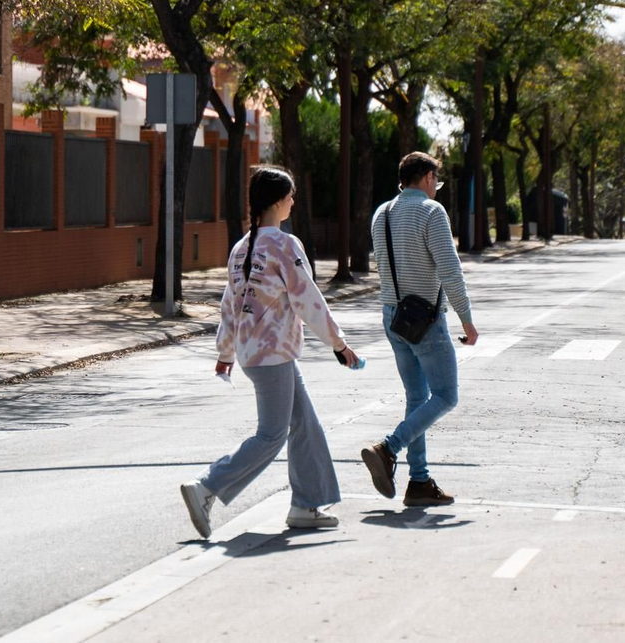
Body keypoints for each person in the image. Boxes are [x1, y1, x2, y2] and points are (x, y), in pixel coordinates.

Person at [181, 166, 363, 539]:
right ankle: (206, 486)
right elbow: (309, 301)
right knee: (272, 435)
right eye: (291, 196)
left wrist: (227, 352)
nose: (294, 202)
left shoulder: (241, 247)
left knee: (305, 425)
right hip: (273, 356)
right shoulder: (283, 244)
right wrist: (339, 344)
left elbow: (230, 306)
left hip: (255, 354)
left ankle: (306, 505)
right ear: (279, 202)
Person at [361, 151, 478, 508]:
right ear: (427, 177)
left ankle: (419, 482)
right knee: (446, 395)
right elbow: (449, 269)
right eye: (436, 181)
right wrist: (467, 319)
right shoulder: (431, 211)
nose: (437, 188)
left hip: (392, 316)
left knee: (417, 398)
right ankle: (389, 447)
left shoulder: (382, 213)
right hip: (424, 318)